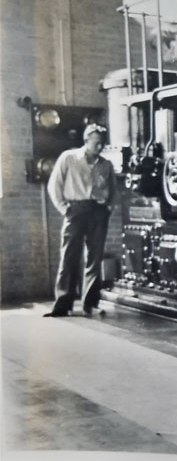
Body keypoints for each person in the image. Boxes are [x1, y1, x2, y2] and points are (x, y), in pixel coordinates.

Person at [44, 123, 116, 317]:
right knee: (69, 256)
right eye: (97, 143)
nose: (100, 147)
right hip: (75, 210)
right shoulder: (68, 158)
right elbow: (54, 186)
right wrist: (64, 208)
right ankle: (62, 304)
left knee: (94, 259)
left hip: (98, 212)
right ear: (86, 141)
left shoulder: (106, 164)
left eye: (103, 144)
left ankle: (90, 303)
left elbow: (113, 189)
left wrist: (108, 208)